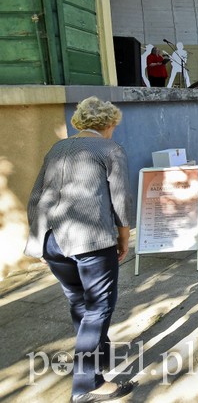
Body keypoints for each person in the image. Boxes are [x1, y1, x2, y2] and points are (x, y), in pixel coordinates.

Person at [24, 97, 135, 402]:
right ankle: (88, 384)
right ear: (109, 123)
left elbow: (36, 195)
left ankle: (99, 355)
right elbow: (121, 199)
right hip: (89, 239)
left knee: (79, 302)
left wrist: (38, 235)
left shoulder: (57, 149)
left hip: (50, 238)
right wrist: (123, 238)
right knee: (98, 307)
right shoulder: (110, 149)